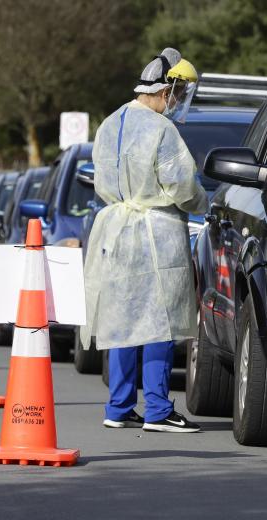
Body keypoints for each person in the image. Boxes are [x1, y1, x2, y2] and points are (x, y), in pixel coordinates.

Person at [82, 48, 207, 433]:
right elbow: (181, 185)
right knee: (159, 322)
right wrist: (205, 203)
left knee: (122, 320)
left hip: (116, 231)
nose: (180, 100)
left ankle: (118, 407)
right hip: (157, 233)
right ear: (165, 89)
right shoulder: (161, 129)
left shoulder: (110, 123)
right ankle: (157, 408)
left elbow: (102, 179)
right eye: (179, 91)